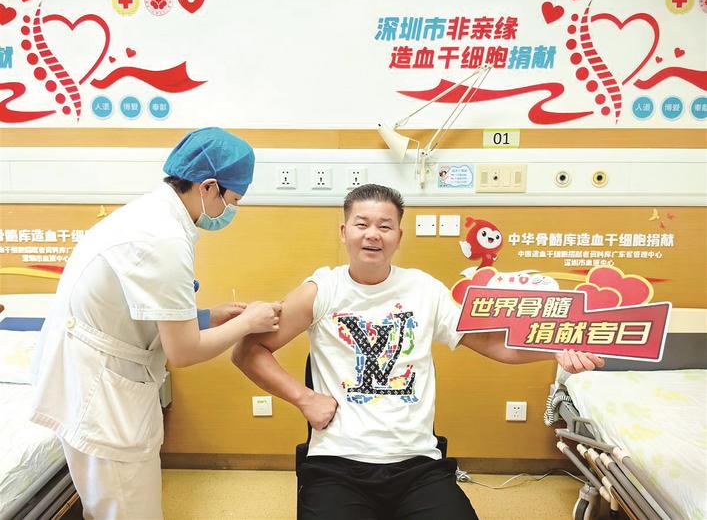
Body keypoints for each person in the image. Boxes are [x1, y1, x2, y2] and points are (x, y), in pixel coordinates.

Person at [232, 183, 604, 519]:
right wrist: (305, 398)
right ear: (344, 232)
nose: (373, 234)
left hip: (417, 463)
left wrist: (557, 349)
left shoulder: (424, 290)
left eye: (385, 226)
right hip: (336, 462)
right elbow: (248, 351)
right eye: (362, 224)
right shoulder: (322, 290)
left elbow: (493, 343)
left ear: (399, 236)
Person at [30, 127, 281, 520]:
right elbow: (183, 351)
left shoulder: (150, 215)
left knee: (112, 506)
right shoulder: (163, 239)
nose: (231, 211)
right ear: (208, 187)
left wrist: (209, 316)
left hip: (93, 372)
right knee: (128, 508)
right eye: (233, 200)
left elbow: (138, 307)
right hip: (101, 393)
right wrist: (248, 322)